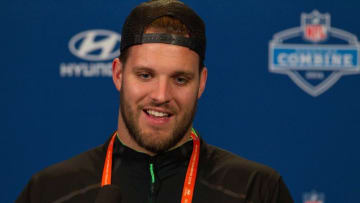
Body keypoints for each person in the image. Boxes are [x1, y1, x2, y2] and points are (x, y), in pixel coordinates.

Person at [16, 0, 294, 202]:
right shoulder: (51, 191)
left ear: (202, 82)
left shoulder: (255, 190)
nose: (161, 96)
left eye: (180, 79)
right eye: (145, 75)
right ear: (118, 74)